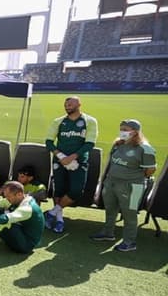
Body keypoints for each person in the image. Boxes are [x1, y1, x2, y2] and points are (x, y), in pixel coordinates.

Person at [90, 119, 156, 252]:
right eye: (121, 129)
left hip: (132, 186)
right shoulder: (118, 144)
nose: (122, 132)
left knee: (129, 214)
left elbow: (150, 170)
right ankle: (108, 233)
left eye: (126, 129)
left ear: (135, 132)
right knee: (110, 209)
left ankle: (129, 242)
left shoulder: (145, 148)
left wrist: (130, 176)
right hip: (111, 183)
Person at [44, 96, 98, 234]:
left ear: (79, 104)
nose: (67, 106)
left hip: (78, 162)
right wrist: (61, 156)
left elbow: (90, 143)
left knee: (76, 190)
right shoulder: (58, 121)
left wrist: (73, 157)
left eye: (70, 104)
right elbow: (49, 142)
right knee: (59, 190)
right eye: (66, 104)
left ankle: (51, 213)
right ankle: (59, 220)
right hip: (59, 160)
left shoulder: (89, 121)